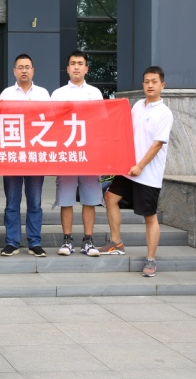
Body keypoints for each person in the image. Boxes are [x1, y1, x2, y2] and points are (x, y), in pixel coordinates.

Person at [99, 66, 173, 277]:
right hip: (128, 170)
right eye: (147, 81)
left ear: (162, 85)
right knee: (110, 197)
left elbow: (157, 144)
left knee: (149, 216)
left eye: (154, 82)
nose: (150, 85)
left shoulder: (164, 113)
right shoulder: (137, 106)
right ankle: (116, 242)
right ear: (142, 84)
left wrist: (140, 166)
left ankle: (151, 259)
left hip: (148, 174)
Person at [51, 50, 105, 257]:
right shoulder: (58, 94)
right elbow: (50, 124)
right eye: (72, 63)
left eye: (80, 63)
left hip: (89, 154)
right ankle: (67, 240)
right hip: (66, 154)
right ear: (67, 68)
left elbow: (102, 122)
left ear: (86, 68)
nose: (76, 66)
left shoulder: (95, 93)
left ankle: (88, 241)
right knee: (66, 199)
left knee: (90, 199)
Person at [0, 54, 51, 258]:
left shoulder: (43, 94)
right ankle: (12, 242)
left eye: (27, 67)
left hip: (36, 156)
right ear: (14, 71)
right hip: (12, 156)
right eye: (20, 67)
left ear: (33, 70)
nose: (24, 71)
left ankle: (34, 242)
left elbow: (52, 120)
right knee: (12, 202)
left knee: (35, 202)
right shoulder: (6, 94)